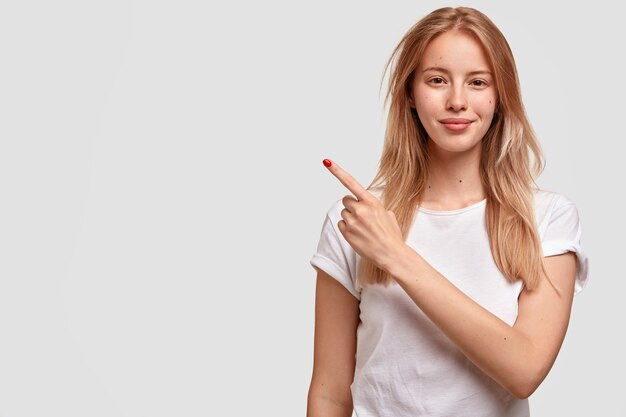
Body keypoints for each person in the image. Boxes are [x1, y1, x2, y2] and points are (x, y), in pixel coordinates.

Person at [306, 6, 589, 417]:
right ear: (409, 94)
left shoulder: (546, 219)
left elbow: (525, 369)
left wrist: (396, 256)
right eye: (437, 80)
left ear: (501, 97)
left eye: (477, 82)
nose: (457, 101)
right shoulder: (356, 222)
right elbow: (330, 392)